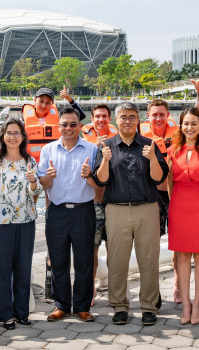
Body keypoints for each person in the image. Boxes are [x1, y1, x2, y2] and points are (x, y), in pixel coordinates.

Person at [93, 101, 169, 326]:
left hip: (146, 209)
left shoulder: (149, 144)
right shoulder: (106, 146)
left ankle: (149, 306)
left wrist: (153, 158)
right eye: (123, 117)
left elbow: (158, 178)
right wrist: (105, 160)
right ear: (116, 120)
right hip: (116, 210)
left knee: (149, 260)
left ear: (138, 119)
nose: (128, 121)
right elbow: (101, 180)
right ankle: (119, 306)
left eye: (132, 117)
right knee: (117, 261)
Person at [140, 79, 199, 303]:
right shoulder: (140, 135)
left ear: (167, 116)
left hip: (177, 194)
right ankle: (153, 289)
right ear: (148, 117)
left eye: (162, 114)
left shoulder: (179, 132)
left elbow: (198, 114)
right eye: (154, 114)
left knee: (180, 243)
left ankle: (178, 283)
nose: (158, 118)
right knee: (152, 242)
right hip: (152, 195)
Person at [38, 107, 98, 322]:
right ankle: (61, 304)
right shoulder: (48, 150)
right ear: (58, 126)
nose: (69, 128)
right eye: (64, 124)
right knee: (58, 260)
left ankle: (82, 306)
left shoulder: (91, 149)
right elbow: (42, 183)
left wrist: (89, 175)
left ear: (80, 126)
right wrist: (48, 178)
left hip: (83, 211)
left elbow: (99, 184)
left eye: (73, 124)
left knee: (84, 261)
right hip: (57, 212)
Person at [0, 118, 43, 329]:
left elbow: (36, 192)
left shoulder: (30, 161)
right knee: (1, 269)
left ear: (23, 136)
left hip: (25, 220)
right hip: (0, 221)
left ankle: (21, 312)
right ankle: (4, 315)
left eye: (17, 132)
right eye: (8, 133)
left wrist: (34, 181)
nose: (12, 136)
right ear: (2, 136)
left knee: (22, 268)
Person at [167, 107, 199, 324]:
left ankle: (197, 304)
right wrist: (172, 205)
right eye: (186, 123)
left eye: (194, 124)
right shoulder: (173, 149)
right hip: (178, 205)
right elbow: (169, 182)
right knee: (182, 256)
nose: (190, 127)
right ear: (181, 125)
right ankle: (185, 305)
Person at [82, 103, 117, 303]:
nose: (101, 120)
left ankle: (116, 288)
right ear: (92, 119)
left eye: (104, 116)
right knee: (91, 250)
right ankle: (91, 291)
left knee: (114, 249)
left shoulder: (119, 140)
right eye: (97, 116)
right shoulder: (85, 143)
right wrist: (96, 149)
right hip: (94, 204)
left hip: (113, 204)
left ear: (109, 118)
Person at [22, 86, 86, 163]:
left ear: (52, 104)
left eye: (48, 103)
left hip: (54, 161)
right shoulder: (23, 122)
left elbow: (81, 116)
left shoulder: (59, 119)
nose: (43, 105)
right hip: (32, 162)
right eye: (41, 101)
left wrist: (70, 99)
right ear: (35, 100)